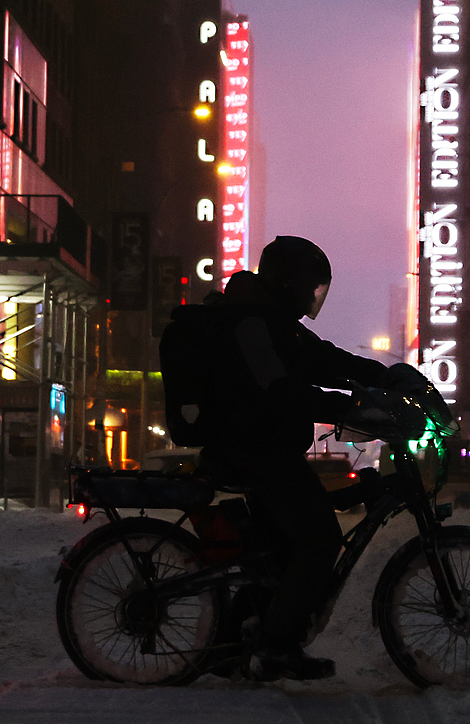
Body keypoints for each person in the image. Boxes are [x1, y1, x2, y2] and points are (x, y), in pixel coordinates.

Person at [192, 235, 390, 682]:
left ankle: (237, 640)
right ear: (287, 283)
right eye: (309, 287)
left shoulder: (272, 319)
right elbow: (279, 390)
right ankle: (278, 646)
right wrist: (341, 407)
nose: (311, 298)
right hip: (254, 451)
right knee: (319, 537)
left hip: (265, 447)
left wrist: (385, 375)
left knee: (277, 553)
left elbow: (323, 358)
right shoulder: (251, 321)